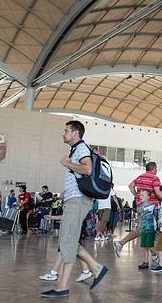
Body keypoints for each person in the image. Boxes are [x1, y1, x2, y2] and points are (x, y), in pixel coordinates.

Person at [40, 120, 108, 298]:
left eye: (66, 131)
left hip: (78, 200)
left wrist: (66, 163)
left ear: (75, 133)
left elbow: (87, 169)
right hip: (73, 199)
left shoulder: (82, 148)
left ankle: (68, 283)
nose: (63, 134)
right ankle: (92, 270)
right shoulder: (76, 149)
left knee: (67, 240)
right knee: (67, 240)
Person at [113, 162, 162, 257]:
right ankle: (121, 243)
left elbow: (131, 185)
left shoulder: (140, 177)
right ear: (154, 169)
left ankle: (153, 254)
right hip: (149, 208)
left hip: (141, 206)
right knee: (142, 229)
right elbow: (157, 192)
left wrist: (136, 196)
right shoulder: (155, 178)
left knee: (147, 229)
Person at [136, 189, 157, 270]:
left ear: (148, 197)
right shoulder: (140, 207)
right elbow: (140, 217)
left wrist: (156, 227)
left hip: (150, 229)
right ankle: (145, 262)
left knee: (150, 245)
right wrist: (138, 225)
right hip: (143, 229)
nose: (140, 197)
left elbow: (155, 217)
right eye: (140, 195)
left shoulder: (152, 207)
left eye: (143, 195)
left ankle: (160, 255)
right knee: (145, 246)